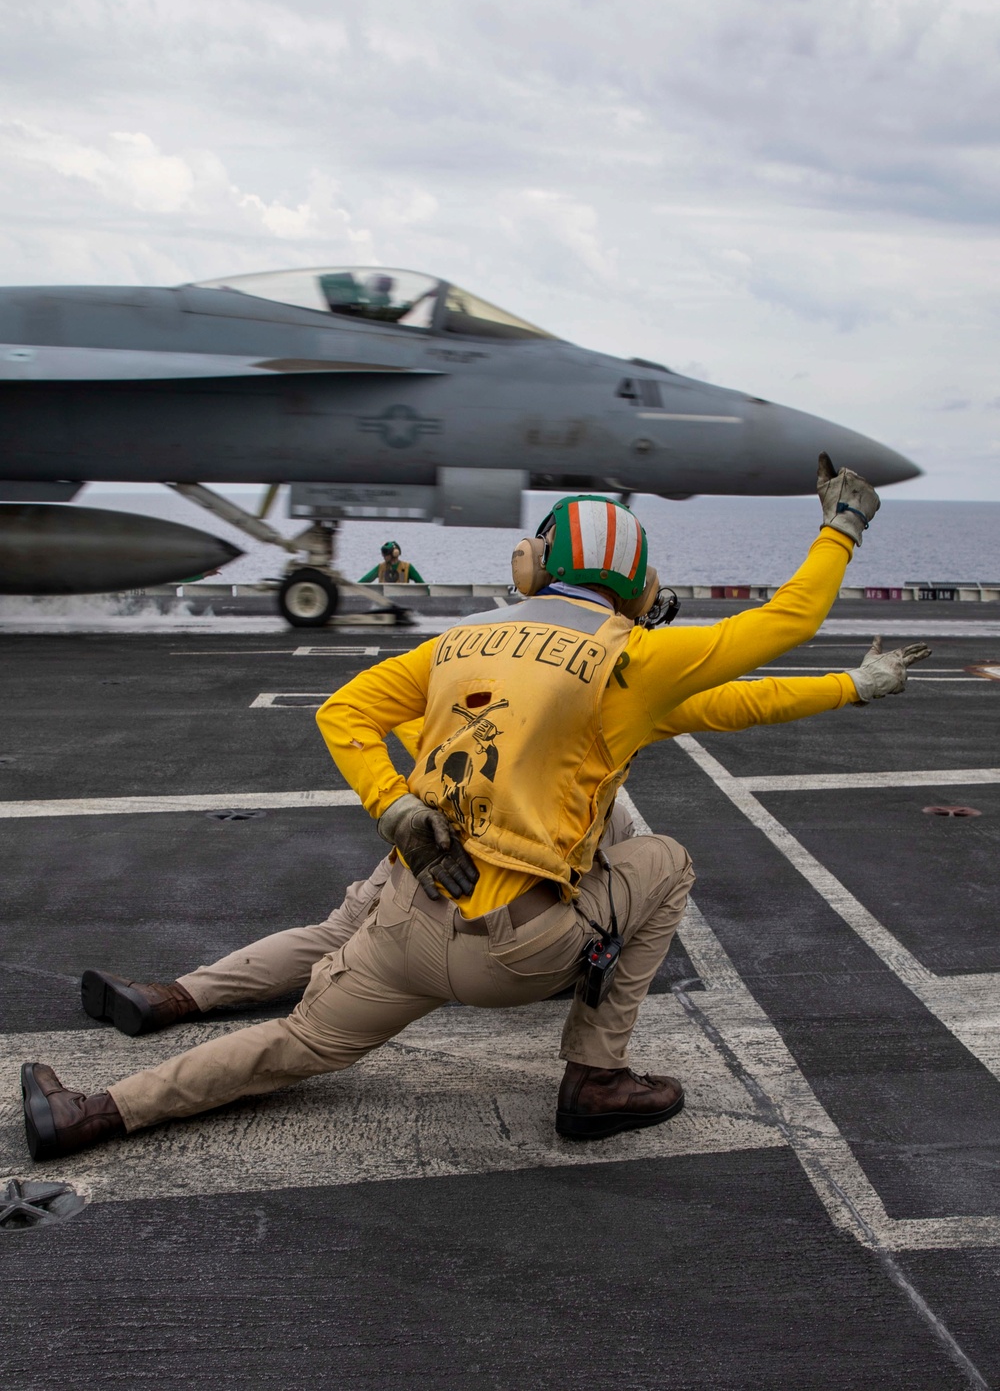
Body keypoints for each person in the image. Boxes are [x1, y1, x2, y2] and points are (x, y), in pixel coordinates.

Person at [21, 456, 889, 1160]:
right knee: (664, 862)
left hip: (407, 928)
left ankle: (94, 1113)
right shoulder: (633, 657)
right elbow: (784, 627)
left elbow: (343, 712)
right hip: (517, 953)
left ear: (537, 564)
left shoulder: (461, 640)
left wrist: (396, 805)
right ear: (637, 581)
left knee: (293, 1044)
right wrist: (841, 534)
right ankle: (595, 1076)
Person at [78, 632, 930, 1039]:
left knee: (335, 934)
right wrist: (854, 684)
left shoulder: (489, 644)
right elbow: (744, 702)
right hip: (507, 906)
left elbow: (371, 716)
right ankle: (597, 1063)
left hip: (425, 847)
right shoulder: (616, 670)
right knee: (651, 862)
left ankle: (173, 995)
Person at [358, 541, 425, 585]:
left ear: (394, 553)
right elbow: (366, 579)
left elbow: (421, 583)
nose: (383, 556)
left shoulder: (407, 567)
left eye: (386, 554)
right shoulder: (381, 567)